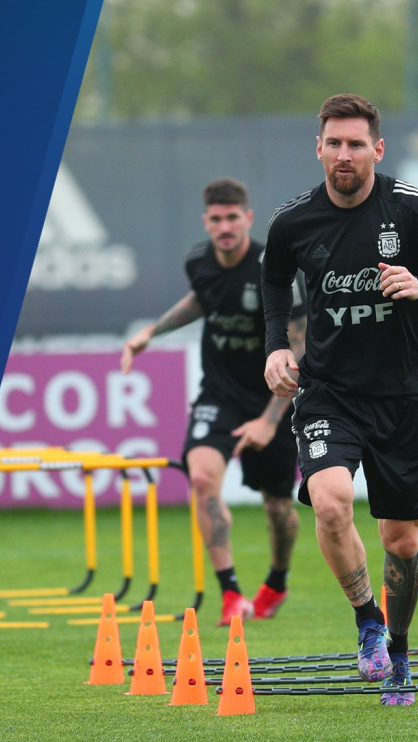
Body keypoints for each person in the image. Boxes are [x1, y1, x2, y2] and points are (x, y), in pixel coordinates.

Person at [261, 93, 418, 706]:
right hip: (329, 392)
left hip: (402, 395)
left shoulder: (412, 209)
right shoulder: (293, 220)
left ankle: (402, 650)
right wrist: (276, 348)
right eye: (334, 143)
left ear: (377, 149)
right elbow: (274, 280)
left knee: (401, 540)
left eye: (357, 144)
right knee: (330, 502)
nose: (345, 154)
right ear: (319, 148)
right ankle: (368, 623)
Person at [122, 178, 307, 627]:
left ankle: (276, 581)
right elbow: (202, 299)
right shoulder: (197, 261)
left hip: (273, 393)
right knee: (202, 477)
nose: (224, 227)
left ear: (248, 218)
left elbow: (299, 346)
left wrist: (268, 419)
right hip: (219, 394)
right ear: (206, 222)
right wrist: (152, 332)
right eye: (216, 219)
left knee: (278, 506)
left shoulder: (275, 268)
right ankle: (230, 594)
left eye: (233, 218)